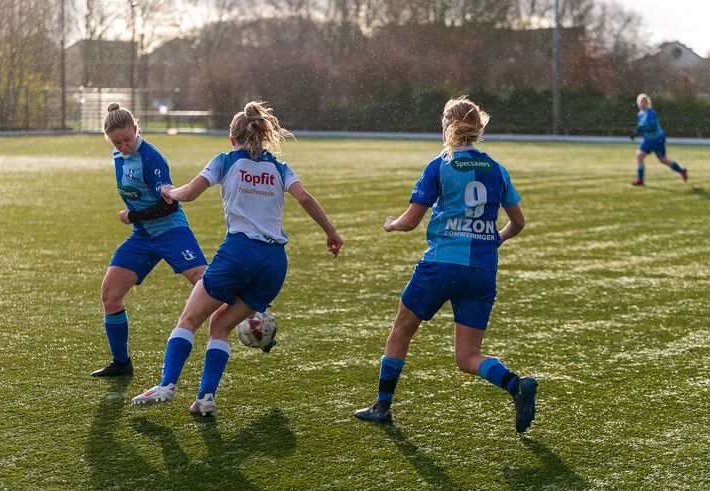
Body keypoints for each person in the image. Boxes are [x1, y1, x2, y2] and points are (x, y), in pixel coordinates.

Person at [131, 101, 343, 416]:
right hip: (274, 263)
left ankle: (167, 384)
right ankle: (205, 398)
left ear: (233, 139)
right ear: (264, 136)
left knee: (189, 320)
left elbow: (189, 193)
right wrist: (332, 233)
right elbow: (305, 198)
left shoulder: (225, 160)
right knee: (220, 325)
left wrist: (170, 192)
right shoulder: (281, 169)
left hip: (239, 253)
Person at [354, 96, 537, 433]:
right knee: (468, 357)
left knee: (401, 331)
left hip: (441, 266)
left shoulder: (440, 165)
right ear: (478, 128)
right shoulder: (497, 169)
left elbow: (410, 222)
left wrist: (391, 223)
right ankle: (516, 384)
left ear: (447, 126)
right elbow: (518, 223)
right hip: (482, 271)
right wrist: (494, 238)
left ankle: (383, 405)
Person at [92, 103, 208, 377]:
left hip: (171, 231)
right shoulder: (118, 155)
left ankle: (252, 316)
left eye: (127, 139)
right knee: (110, 295)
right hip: (143, 236)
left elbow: (168, 206)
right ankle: (121, 363)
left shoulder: (152, 158)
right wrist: (137, 220)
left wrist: (132, 215)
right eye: (117, 142)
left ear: (136, 128)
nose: (123, 146)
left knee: (209, 284)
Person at [631, 93, 688, 186]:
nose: (642, 104)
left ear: (648, 103)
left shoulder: (651, 113)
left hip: (658, 140)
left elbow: (652, 126)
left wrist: (641, 128)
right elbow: (641, 125)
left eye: (644, 102)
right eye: (641, 102)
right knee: (639, 156)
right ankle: (640, 179)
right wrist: (635, 132)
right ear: (638, 103)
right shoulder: (639, 114)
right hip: (647, 140)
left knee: (663, 160)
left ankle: (682, 171)